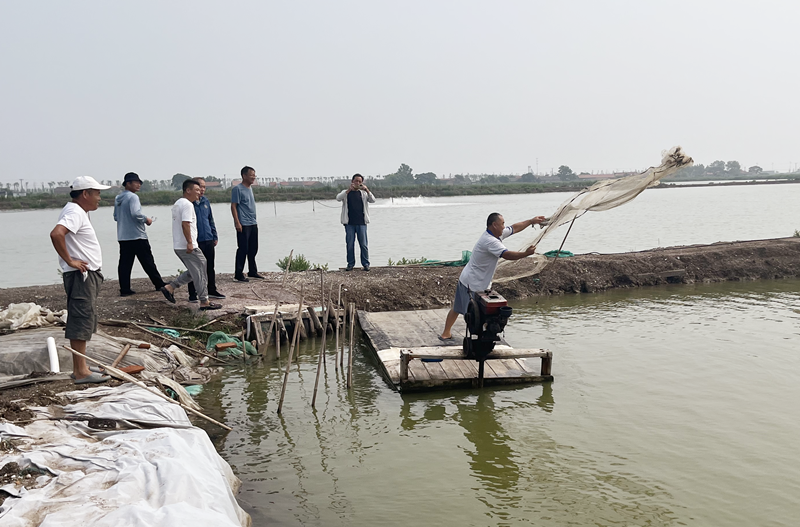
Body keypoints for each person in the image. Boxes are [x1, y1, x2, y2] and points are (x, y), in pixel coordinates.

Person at [440, 212, 546, 340]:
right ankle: (452, 334)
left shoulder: (496, 234)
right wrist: (525, 254)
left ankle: (453, 333)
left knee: (464, 309)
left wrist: (531, 221)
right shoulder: (490, 241)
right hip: (472, 282)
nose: (504, 227)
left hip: (474, 280)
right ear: (494, 225)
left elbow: (514, 228)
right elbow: (507, 255)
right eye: (502, 224)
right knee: (473, 313)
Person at [49, 176, 112, 384]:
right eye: (97, 193)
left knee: (85, 317)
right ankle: (80, 371)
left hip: (86, 275)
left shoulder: (78, 211)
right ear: (85, 194)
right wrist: (71, 261)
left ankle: (81, 365)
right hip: (80, 276)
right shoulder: (75, 212)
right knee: (80, 318)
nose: (99, 198)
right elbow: (56, 234)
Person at [160, 179, 222, 311]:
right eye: (197, 190)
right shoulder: (187, 205)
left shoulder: (178, 203)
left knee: (197, 268)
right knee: (200, 268)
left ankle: (170, 287)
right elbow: (185, 224)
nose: (199, 192)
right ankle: (204, 301)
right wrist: (189, 242)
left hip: (180, 245)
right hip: (187, 245)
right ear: (188, 190)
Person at [113, 172, 167, 296]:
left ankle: (125, 289)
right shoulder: (133, 197)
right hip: (137, 235)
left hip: (123, 236)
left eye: (139, 183)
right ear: (128, 184)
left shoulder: (118, 198)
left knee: (125, 263)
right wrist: (146, 219)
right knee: (148, 261)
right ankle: (159, 284)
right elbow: (136, 213)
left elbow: (116, 217)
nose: (139, 185)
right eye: (136, 182)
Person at [187, 178, 225, 302]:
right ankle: (193, 293)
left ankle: (211, 289)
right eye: (200, 187)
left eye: (204, 187)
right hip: (196, 240)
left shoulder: (205, 201)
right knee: (195, 267)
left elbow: (210, 219)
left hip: (208, 238)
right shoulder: (189, 204)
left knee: (210, 266)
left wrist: (214, 235)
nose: (202, 190)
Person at [335, 173, 376, 271]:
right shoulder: (346, 193)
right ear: (352, 181)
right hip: (349, 223)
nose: (357, 183)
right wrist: (348, 190)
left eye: (360, 181)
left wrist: (367, 190)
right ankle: (350, 264)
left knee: (364, 244)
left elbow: (373, 200)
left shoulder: (364, 193)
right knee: (350, 244)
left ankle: (366, 264)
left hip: (362, 222)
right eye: (356, 181)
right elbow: (338, 198)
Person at [231, 166, 262, 281]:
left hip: (253, 222)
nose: (253, 177)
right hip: (243, 223)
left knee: (253, 248)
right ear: (244, 176)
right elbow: (233, 206)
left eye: (254, 175)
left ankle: (252, 271)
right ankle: (238, 274)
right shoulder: (237, 189)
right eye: (251, 175)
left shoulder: (250, 188)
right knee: (243, 248)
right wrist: (237, 222)